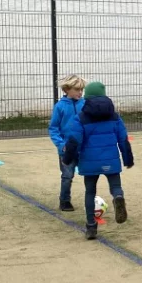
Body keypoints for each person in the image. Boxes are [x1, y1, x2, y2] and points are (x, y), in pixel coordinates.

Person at [61, 81, 134, 240]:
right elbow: (123, 139)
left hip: (89, 161)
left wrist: (67, 159)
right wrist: (128, 159)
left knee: (90, 191)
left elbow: (74, 141)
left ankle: (91, 227)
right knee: (115, 186)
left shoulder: (80, 118)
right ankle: (118, 197)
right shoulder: (115, 116)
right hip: (111, 160)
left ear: (87, 97)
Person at [48, 75, 86, 212]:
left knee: (90, 174)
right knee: (67, 176)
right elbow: (53, 128)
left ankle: (90, 199)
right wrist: (61, 145)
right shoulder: (60, 106)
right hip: (67, 149)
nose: (80, 92)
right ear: (67, 89)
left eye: (82, 89)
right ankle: (64, 201)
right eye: (77, 89)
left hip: (84, 148)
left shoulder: (85, 104)